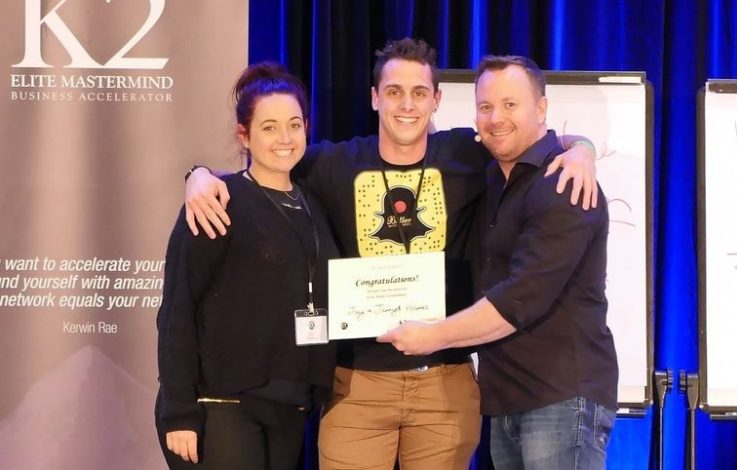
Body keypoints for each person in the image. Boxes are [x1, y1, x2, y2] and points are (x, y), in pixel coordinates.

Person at [184, 39, 598, 470]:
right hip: (357, 384)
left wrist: (581, 150)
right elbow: (264, 169)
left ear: (436, 100)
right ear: (374, 97)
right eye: (394, 91)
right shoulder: (331, 163)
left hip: (444, 382)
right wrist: (200, 175)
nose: (407, 105)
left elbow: (530, 140)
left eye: (419, 92)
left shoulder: (467, 154)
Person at [378, 55, 619, 470]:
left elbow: (519, 300)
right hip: (507, 398)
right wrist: (582, 146)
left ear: (541, 109)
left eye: (510, 104)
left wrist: (431, 336)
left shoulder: (562, 184)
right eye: (486, 106)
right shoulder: (492, 176)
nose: (496, 118)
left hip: (561, 396)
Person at [155, 62, 338, 470]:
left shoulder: (315, 204)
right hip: (221, 405)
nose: (285, 138)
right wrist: (178, 411)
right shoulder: (217, 203)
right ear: (245, 135)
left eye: (294, 125)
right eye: (269, 127)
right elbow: (177, 310)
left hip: (289, 407)